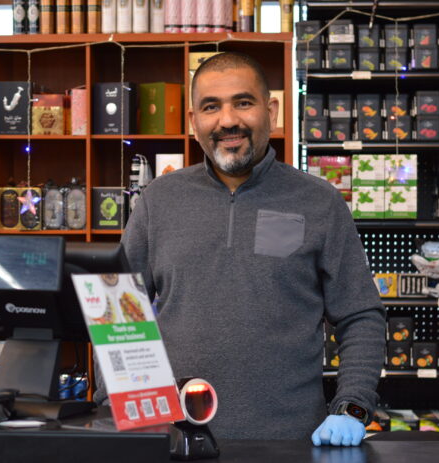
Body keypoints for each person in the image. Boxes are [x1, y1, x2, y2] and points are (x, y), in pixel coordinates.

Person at [116, 51, 386, 445]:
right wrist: (120, 405)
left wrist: (353, 406)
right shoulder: (159, 201)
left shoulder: (319, 202)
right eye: (211, 107)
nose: (228, 120)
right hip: (176, 441)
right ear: (193, 122)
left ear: (271, 111)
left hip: (292, 443)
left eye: (243, 102)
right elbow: (119, 312)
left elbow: (361, 314)